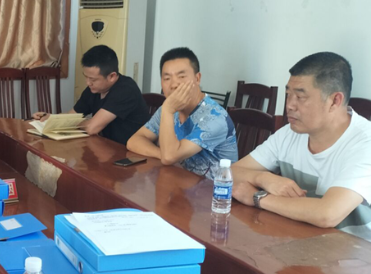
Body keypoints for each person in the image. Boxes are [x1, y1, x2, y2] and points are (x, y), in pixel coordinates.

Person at [232, 52, 371, 241]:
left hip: (353, 252)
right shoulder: (290, 133)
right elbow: (231, 172)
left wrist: (257, 197)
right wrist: (263, 178)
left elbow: (327, 214)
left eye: (300, 97)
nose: (289, 105)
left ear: (334, 101)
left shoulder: (365, 143)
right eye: (288, 95)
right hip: (298, 240)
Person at [126, 47, 237, 178]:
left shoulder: (215, 117)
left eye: (182, 76)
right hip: (178, 181)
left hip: (214, 189)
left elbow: (169, 157)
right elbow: (134, 141)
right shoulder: (169, 108)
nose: (174, 84)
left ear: (197, 78)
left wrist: (168, 110)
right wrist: (161, 154)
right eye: (167, 78)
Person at [31, 45, 150, 145]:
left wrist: (74, 122)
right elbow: (71, 115)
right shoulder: (94, 89)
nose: (88, 83)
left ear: (112, 76)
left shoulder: (126, 90)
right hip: (105, 146)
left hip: (130, 153)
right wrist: (51, 118)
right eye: (86, 77)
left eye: (93, 79)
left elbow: (91, 128)